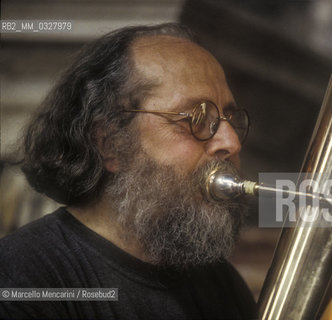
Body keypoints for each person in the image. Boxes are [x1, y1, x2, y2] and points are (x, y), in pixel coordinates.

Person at [0, 23, 256, 319]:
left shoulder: (221, 283)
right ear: (111, 144)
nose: (232, 142)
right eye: (197, 117)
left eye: (230, 118)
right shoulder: (21, 278)